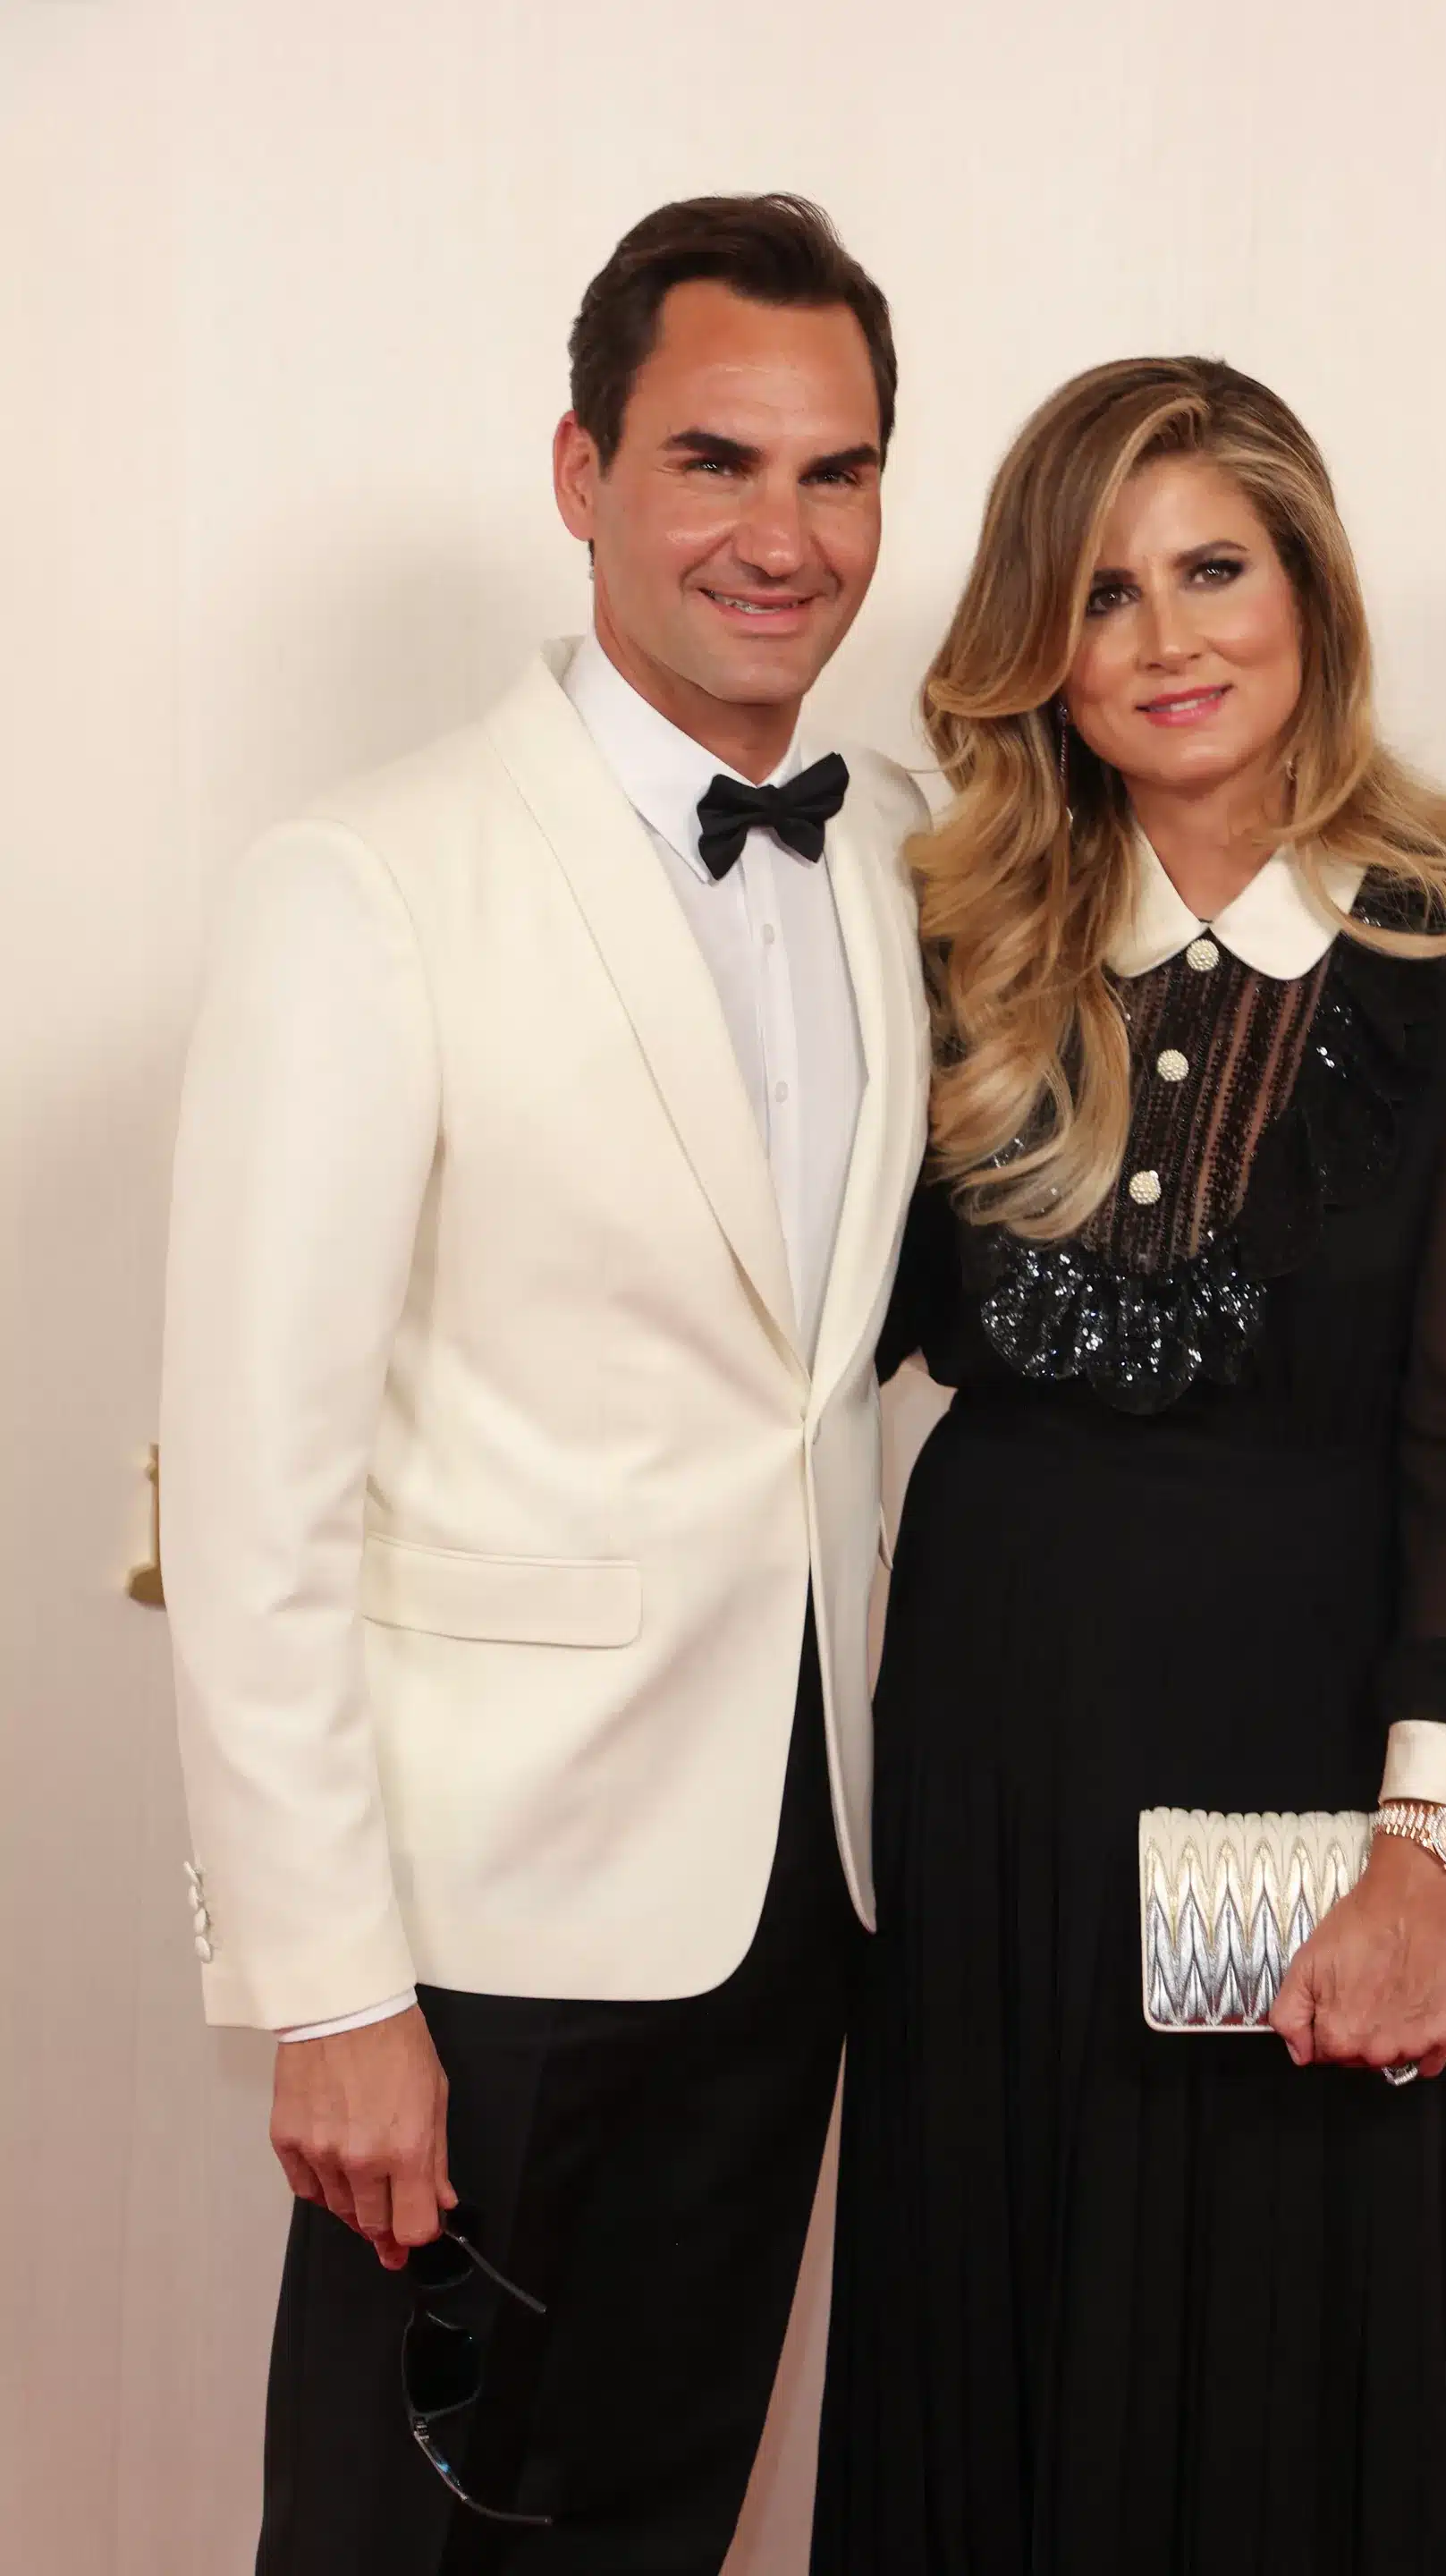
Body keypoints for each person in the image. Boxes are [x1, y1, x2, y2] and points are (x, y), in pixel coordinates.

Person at [161, 192, 929, 2573]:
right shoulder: (367, 879)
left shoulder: (895, 854)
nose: (776, 537)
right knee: (398, 2543)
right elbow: (258, 1491)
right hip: (476, 1931)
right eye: (713, 461)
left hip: (801, 1877)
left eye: (834, 472)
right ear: (580, 468)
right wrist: (324, 1992)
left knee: (661, 2519)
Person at [813, 357, 1446, 2576]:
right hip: (987, 1768)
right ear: (1037, 658)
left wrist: (1424, 1864)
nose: (1167, 639)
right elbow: (792, 1339)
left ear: (1308, 594)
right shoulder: (958, 944)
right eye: (1101, 593)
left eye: (1212, 571)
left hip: (1298, 1790)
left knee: (1273, 2388)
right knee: (989, 2348)